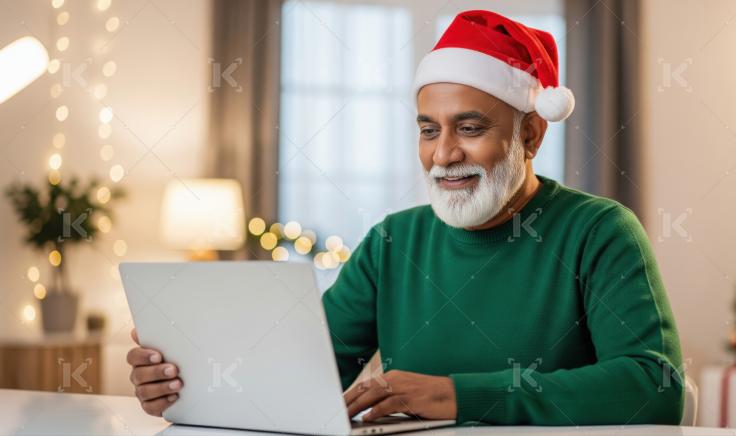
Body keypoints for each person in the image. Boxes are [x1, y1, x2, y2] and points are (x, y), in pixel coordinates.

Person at [127, 9, 684, 426]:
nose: (443, 155)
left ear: (531, 134)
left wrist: (456, 395)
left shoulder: (600, 231)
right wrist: (187, 382)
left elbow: (655, 385)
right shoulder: (393, 241)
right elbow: (302, 374)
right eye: (428, 130)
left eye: (470, 128)